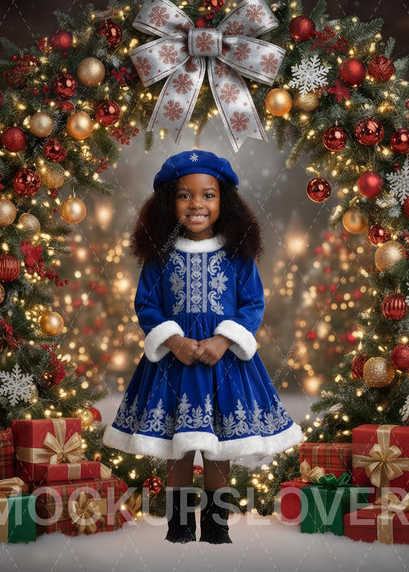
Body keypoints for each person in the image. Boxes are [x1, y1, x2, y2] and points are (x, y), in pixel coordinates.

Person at [103, 150, 303, 544]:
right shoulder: (160, 256)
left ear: (224, 201)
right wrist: (173, 340)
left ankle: (216, 527)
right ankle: (178, 528)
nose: (197, 204)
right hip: (173, 365)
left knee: (219, 446)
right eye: (184, 195)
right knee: (179, 445)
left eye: (208, 195)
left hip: (225, 365)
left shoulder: (236, 254)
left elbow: (252, 304)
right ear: (167, 204)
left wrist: (224, 338)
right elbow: (146, 304)